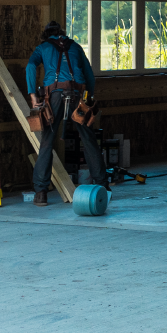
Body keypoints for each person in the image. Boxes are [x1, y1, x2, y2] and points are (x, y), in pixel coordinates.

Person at [26, 20, 107, 206]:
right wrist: (89, 98)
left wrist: (32, 95)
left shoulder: (43, 47)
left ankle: (41, 193)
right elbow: (89, 76)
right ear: (61, 32)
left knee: (46, 142)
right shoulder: (76, 47)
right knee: (88, 139)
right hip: (77, 94)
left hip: (53, 95)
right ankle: (103, 186)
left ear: (46, 35)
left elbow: (30, 67)